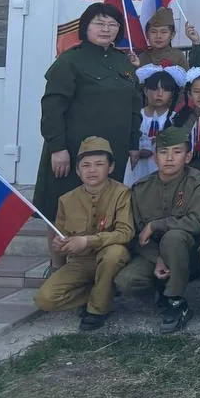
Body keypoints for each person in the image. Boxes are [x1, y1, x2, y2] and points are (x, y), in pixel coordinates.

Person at [37, 3, 141, 257]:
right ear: (85, 27)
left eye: (112, 24)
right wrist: (57, 147)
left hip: (112, 150)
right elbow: (52, 107)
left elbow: (135, 106)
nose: (106, 29)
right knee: (61, 207)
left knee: (106, 206)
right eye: (99, 23)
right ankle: (58, 266)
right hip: (72, 150)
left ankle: (96, 265)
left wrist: (133, 144)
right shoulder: (70, 61)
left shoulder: (123, 63)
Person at [114, 126, 200, 333]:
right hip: (154, 253)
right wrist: (157, 258)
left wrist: (156, 224)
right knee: (127, 281)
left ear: (188, 156)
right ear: (155, 157)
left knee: (173, 237)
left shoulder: (198, 182)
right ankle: (161, 291)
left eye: (177, 152)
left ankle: (175, 301)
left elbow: (196, 222)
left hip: (188, 252)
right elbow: (138, 235)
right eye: (163, 152)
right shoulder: (141, 188)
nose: (169, 158)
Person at [34, 136, 134, 331]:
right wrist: (59, 245)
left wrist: (87, 241)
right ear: (78, 171)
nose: (92, 170)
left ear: (111, 168)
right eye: (86, 165)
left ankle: (98, 309)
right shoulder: (66, 200)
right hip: (81, 262)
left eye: (99, 164)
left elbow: (126, 232)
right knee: (44, 299)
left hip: (109, 257)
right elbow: (61, 236)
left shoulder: (122, 193)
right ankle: (102, 292)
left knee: (114, 253)